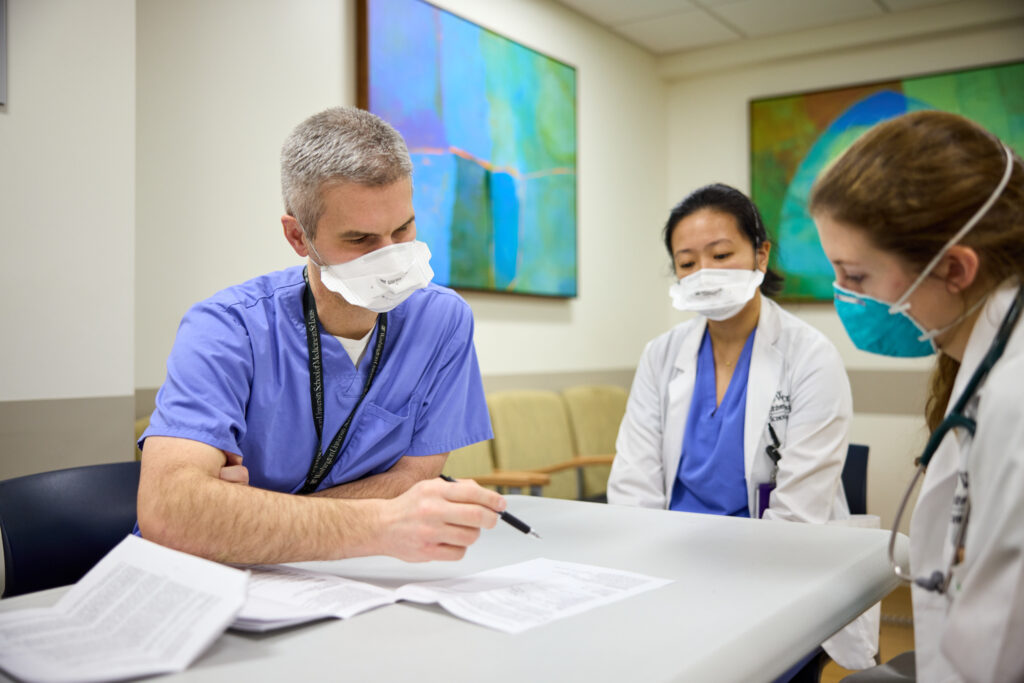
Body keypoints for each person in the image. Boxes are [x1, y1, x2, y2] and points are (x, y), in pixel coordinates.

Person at [137, 106, 506, 565]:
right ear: (298, 237)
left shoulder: (442, 322)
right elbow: (170, 513)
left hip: (349, 577)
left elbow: (413, 479)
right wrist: (379, 522)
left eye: (403, 229)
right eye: (360, 240)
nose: (391, 258)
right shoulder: (226, 328)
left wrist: (239, 517)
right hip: (214, 582)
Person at [607, 183, 877, 671]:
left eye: (722, 254)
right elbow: (633, 483)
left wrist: (726, 596)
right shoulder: (661, 355)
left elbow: (797, 514)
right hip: (669, 570)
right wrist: (645, 572)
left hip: (770, 575)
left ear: (760, 254)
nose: (704, 274)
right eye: (687, 263)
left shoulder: (810, 357)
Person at [811, 110, 1024, 682]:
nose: (844, 297)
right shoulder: (981, 363)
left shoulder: (1015, 398)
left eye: (855, 277)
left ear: (953, 268)